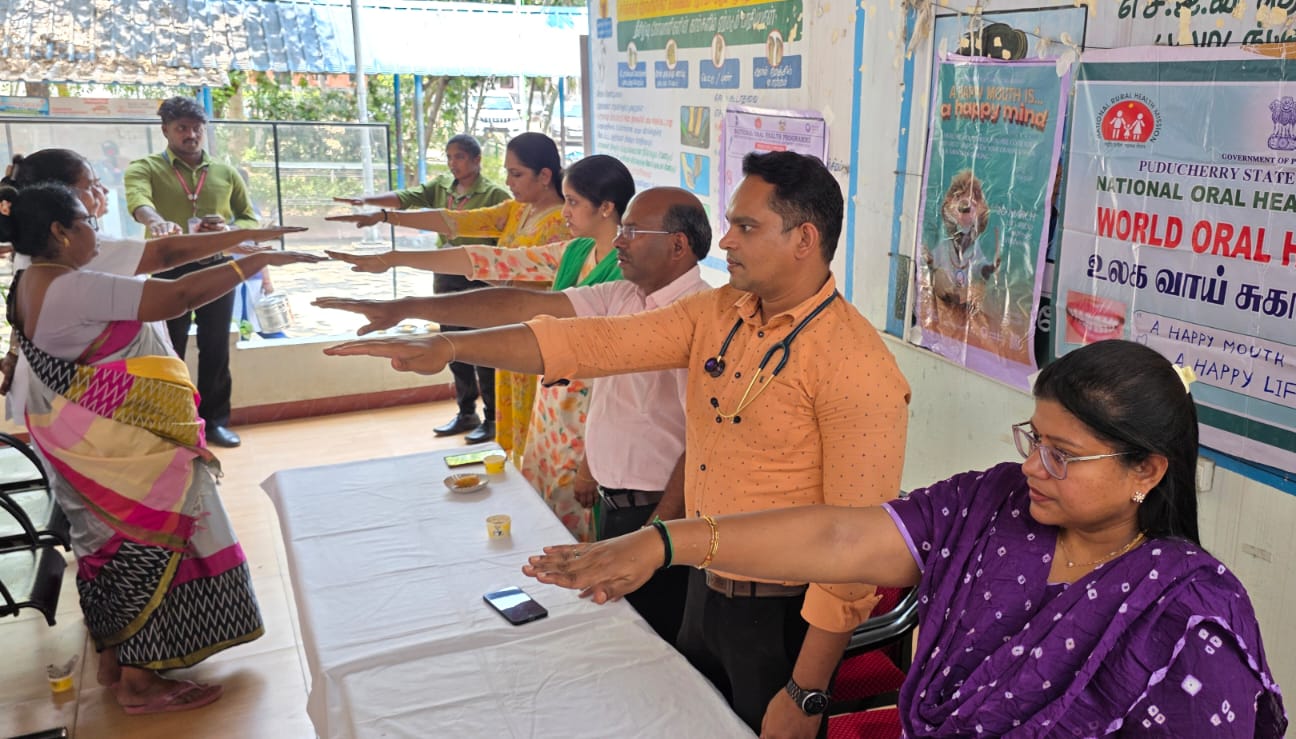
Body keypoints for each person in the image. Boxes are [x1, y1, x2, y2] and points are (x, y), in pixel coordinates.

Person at [325, 151, 911, 738]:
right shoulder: (718, 313)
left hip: (781, 614)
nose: (725, 241)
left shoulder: (856, 364)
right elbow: (589, 342)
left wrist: (806, 690)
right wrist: (450, 345)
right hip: (703, 585)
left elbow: (856, 552)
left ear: (804, 238)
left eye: (746, 226)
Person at [525, 340, 1289, 738]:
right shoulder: (996, 503)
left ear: (1146, 470)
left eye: (1063, 454)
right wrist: (665, 543)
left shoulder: (1188, 617)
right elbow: (842, 534)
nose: (1033, 465)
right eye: (1034, 438)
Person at [314, 186, 711, 640]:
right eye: (622, 230)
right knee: (624, 630)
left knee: (656, 639)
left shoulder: (702, 318)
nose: (620, 240)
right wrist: (413, 312)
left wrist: (657, 533)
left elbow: (701, 441)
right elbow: (525, 306)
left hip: (660, 509)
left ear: (678, 245)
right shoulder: (623, 295)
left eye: (633, 231)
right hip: (617, 503)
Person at [2, 181, 323, 715]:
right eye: (87, 221)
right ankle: (139, 683)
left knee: (104, 549)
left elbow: (166, 256)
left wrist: (246, 242)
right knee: (151, 545)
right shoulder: (72, 287)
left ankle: (116, 660)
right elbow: (177, 296)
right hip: (125, 448)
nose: (96, 231)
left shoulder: (27, 281)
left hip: (84, 443)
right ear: (60, 232)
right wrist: (255, 260)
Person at [326, 153, 633, 540]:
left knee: (580, 517)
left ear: (606, 208)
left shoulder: (628, 273)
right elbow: (494, 260)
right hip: (555, 402)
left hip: (593, 413)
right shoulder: (574, 251)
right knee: (546, 506)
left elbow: (622, 378)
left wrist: (591, 463)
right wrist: (394, 259)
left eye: (573, 202)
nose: (565, 211)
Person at [1, 148, 301, 416]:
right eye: (91, 186)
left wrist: (236, 240)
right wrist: (251, 252)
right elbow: (173, 280)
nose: (103, 190)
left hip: (78, 404)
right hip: (92, 412)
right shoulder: (72, 269)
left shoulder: (40, 259)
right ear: (60, 199)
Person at [334, 134, 512, 442]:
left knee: (482, 347)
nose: (453, 163)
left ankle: (493, 418)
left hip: (481, 276)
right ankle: (466, 412)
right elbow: (406, 198)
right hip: (446, 273)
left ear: (476, 160)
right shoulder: (442, 187)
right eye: (449, 157)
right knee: (451, 343)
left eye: (459, 157)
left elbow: (505, 241)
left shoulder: (495, 194)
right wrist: (368, 201)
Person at [123, 96, 259, 448]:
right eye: (182, 128)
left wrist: (228, 229)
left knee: (216, 347)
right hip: (167, 270)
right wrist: (155, 221)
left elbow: (249, 219)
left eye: (197, 128)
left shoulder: (226, 172)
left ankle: (214, 423)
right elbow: (138, 200)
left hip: (218, 269)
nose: (191, 134)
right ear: (165, 130)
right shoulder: (145, 167)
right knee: (167, 350)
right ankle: (172, 424)